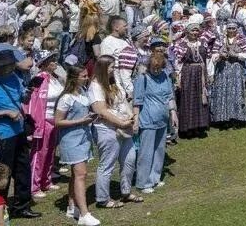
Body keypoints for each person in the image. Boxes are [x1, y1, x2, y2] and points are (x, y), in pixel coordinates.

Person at [0, 49, 38, 218]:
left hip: (19, 130)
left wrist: (28, 94)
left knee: (23, 169)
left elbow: (21, 98)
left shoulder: (14, 78)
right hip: (3, 135)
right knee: (3, 172)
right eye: (7, 66)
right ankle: (1, 207)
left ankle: (22, 205)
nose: (10, 68)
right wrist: (5, 113)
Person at [88, 56, 139, 209]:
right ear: (103, 68)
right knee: (107, 164)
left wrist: (132, 117)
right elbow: (101, 111)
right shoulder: (95, 87)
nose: (114, 69)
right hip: (107, 129)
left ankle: (126, 191)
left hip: (124, 127)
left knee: (130, 159)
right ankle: (102, 198)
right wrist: (121, 123)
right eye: (111, 67)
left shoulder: (113, 82)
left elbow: (123, 102)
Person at [55, 65, 98, 226]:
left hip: (84, 137)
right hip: (71, 139)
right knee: (81, 174)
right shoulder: (66, 98)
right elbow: (58, 121)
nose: (87, 78)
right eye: (84, 76)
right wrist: (82, 120)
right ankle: (84, 214)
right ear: (74, 78)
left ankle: (72, 205)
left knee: (76, 174)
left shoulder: (83, 92)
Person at [133, 47, 178, 194]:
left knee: (159, 150)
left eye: (159, 68)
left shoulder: (164, 76)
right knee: (146, 152)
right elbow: (137, 101)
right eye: (154, 68)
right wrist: (135, 120)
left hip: (162, 119)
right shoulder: (143, 78)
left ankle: (155, 177)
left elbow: (169, 95)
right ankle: (143, 182)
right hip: (147, 120)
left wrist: (173, 113)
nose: (157, 71)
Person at [25, 50, 62, 198]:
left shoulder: (54, 78)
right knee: (40, 153)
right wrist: (34, 124)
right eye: (52, 60)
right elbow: (33, 103)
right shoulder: (38, 79)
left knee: (50, 152)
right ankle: (34, 185)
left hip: (54, 119)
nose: (55, 62)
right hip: (43, 120)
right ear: (44, 63)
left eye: (55, 59)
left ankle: (46, 180)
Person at [173, 23, 212, 137]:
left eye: (196, 31)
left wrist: (209, 73)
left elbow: (208, 59)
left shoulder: (203, 43)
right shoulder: (181, 44)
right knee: (188, 99)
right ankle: (188, 128)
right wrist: (178, 78)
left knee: (201, 99)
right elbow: (178, 62)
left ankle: (199, 126)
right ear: (187, 32)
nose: (195, 33)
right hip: (188, 74)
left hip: (201, 74)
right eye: (192, 31)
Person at [209, 21, 246, 127]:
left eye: (233, 28)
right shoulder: (220, 39)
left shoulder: (242, 39)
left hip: (236, 69)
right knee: (223, 91)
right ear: (226, 29)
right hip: (223, 69)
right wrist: (220, 55)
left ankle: (237, 117)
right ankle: (223, 118)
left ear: (237, 29)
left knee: (236, 92)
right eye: (229, 28)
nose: (231, 31)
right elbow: (213, 54)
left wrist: (236, 55)